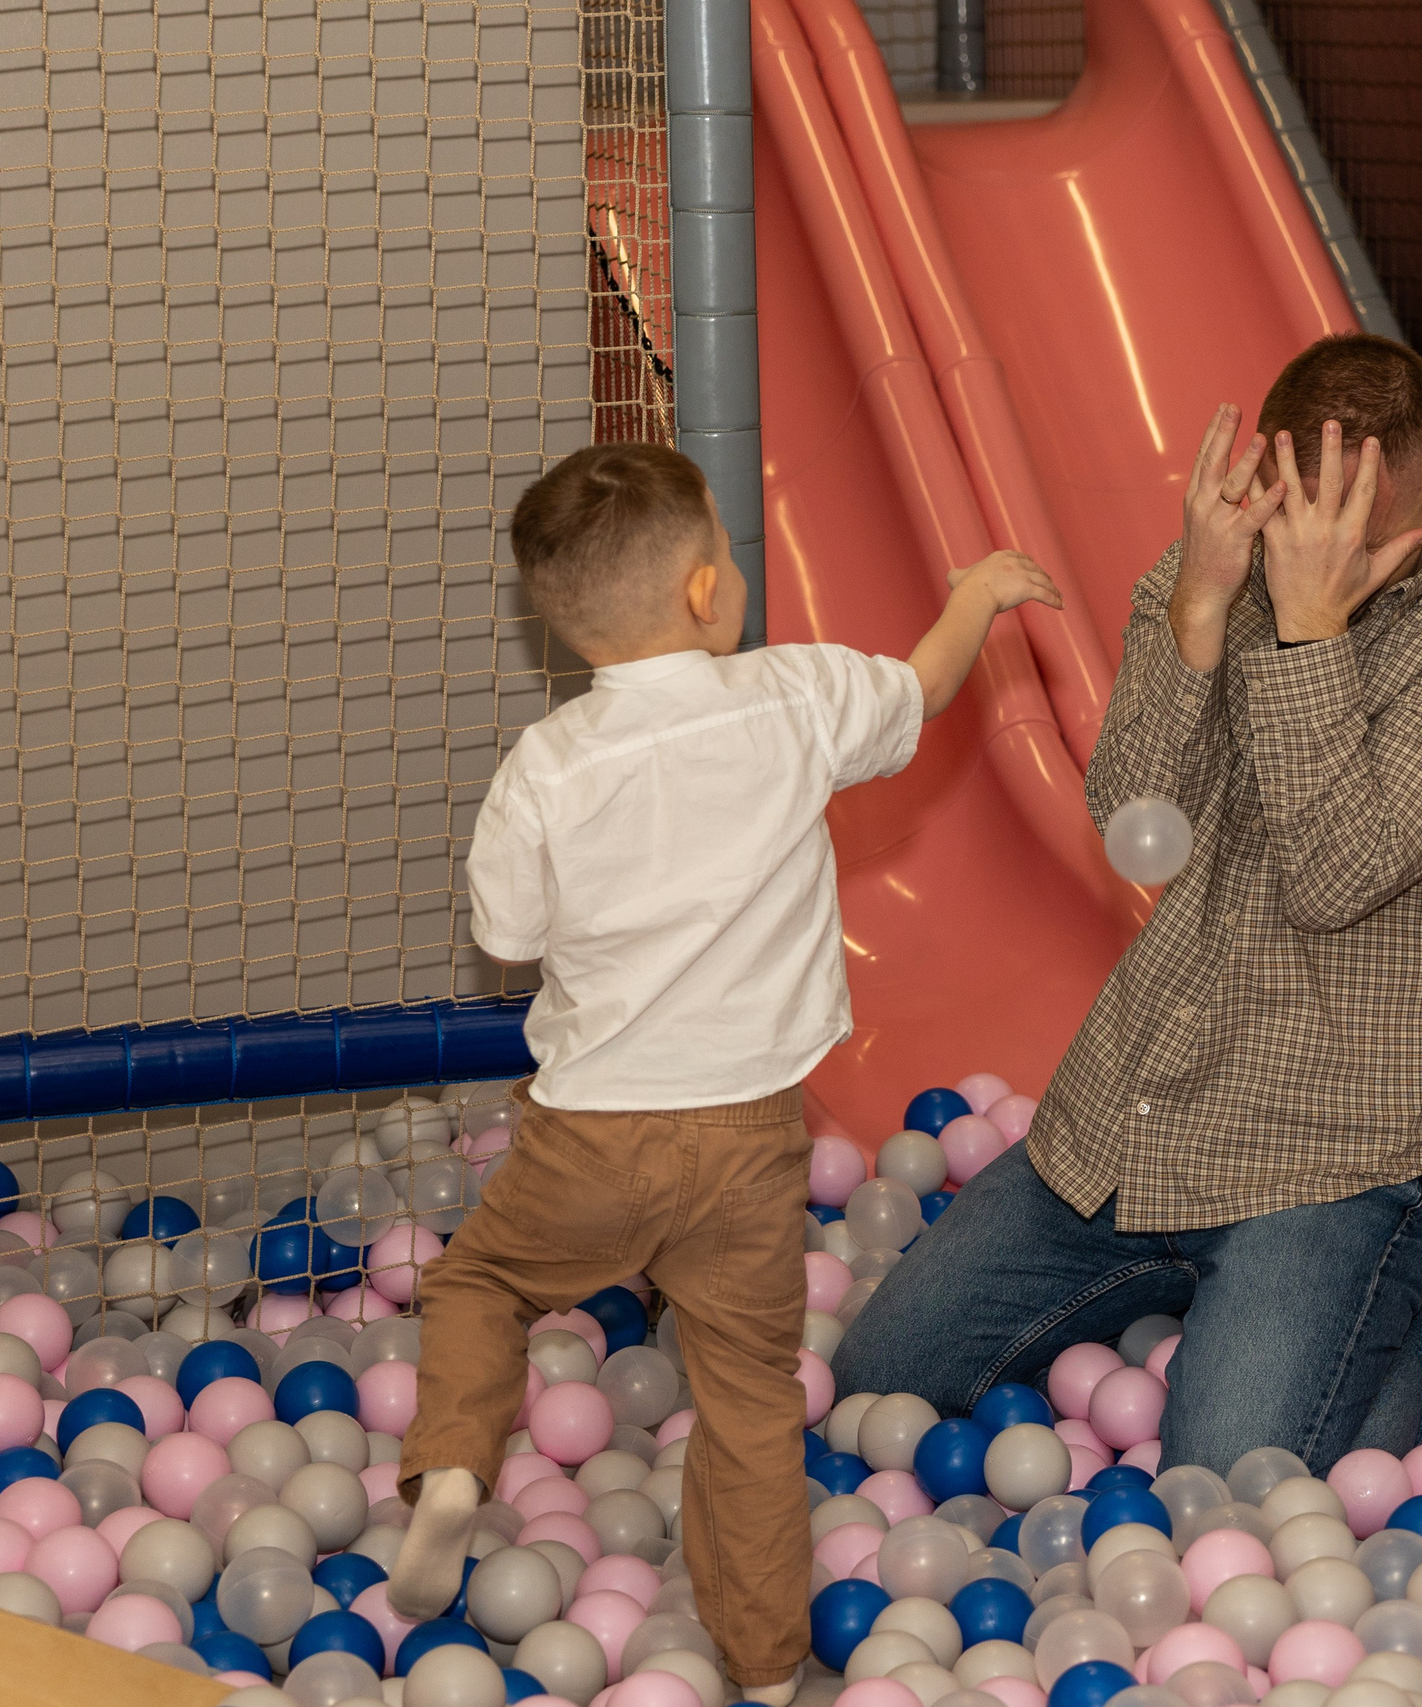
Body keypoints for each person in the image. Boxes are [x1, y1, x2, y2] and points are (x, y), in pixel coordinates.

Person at [387, 441, 1062, 1703]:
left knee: (480, 1283)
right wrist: (974, 592)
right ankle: (763, 1673)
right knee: (749, 1401)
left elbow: (506, 938)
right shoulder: (790, 698)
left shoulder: (546, 768)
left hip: (589, 1135)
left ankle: (455, 1470)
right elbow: (917, 692)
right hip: (749, 1135)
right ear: (707, 592)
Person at [832, 333, 1422, 1476]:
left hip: (1337, 1148)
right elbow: (1136, 819)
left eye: (1345, 544)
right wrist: (1195, 609)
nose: (1303, 562)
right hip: (1144, 1111)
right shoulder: (1220, 565)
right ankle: (1206, 1290)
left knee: (1230, 1476)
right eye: (1286, 527)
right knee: (878, 1385)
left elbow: (1335, 875)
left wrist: (1309, 632)